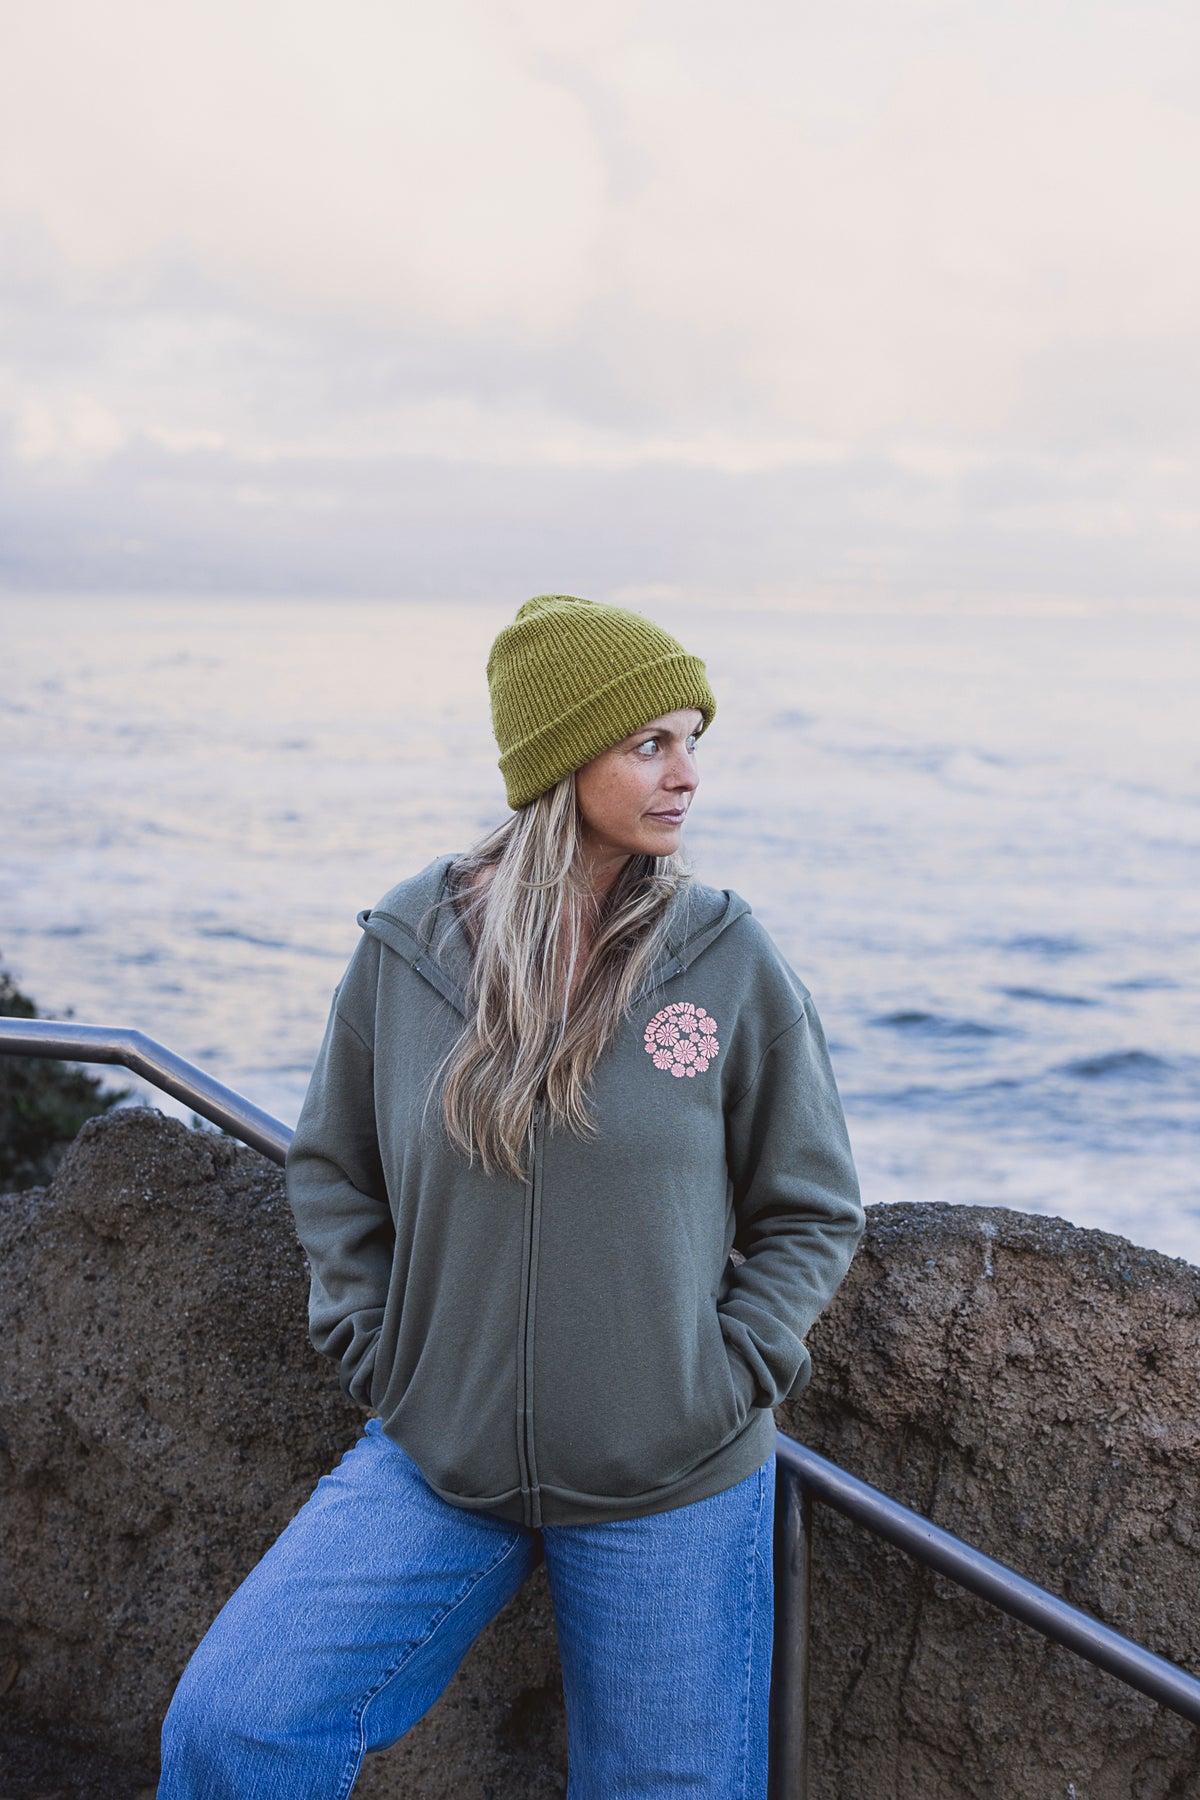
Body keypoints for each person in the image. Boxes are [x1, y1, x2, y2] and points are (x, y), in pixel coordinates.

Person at [158, 593, 865, 1799]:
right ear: (558, 758)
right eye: (651, 743)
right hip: (440, 1457)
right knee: (236, 1728)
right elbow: (332, 1170)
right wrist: (388, 1359)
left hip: (673, 1479)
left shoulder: (725, 955)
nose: (687, 774)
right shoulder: (410, 946)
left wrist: (724, 1374)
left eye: (694, 741)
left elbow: (814, 1204)